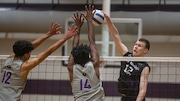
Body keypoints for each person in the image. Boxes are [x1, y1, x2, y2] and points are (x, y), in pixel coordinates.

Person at [0, 22, 78, 101]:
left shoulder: (9, 58)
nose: (30, 54)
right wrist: (65, 38)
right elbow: (47, 52)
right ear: (24, 55)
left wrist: (49, 34)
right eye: (29, 53)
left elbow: (31, 46)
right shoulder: (24, 66)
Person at [103, 12, 150, 101]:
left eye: (139, 45)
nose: (136, 46)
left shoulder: (144, 67)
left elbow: (143, 89)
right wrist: (108, 20)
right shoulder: (126, 55)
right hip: (124, 98)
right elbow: (115, 36)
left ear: (145, 50)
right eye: (135, 44)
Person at [67, 5, 105, 101]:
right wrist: (89, 21)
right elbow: (92, 41)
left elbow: (74, 47)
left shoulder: (71, 68)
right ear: (89, 55)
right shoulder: (94, 64)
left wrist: (78, 27)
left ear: (74, 57)